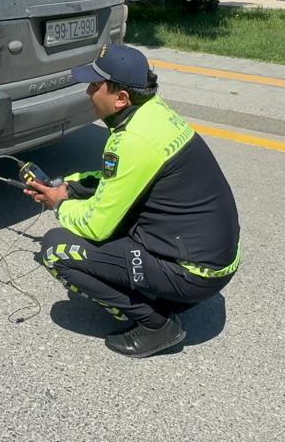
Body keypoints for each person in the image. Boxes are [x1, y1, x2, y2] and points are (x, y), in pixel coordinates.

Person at [25, 44, 241, 358]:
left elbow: (96, 227)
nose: (88, 92)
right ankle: (165, 295)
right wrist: (69, 186)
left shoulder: (132, 140)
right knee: (112, 215)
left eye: (95, 85)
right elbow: (119, 179)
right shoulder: (153, 113)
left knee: (56, 249)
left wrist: (59, 204)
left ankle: (157, 325)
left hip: (194, 273)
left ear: (121, 98)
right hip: (214, 260)